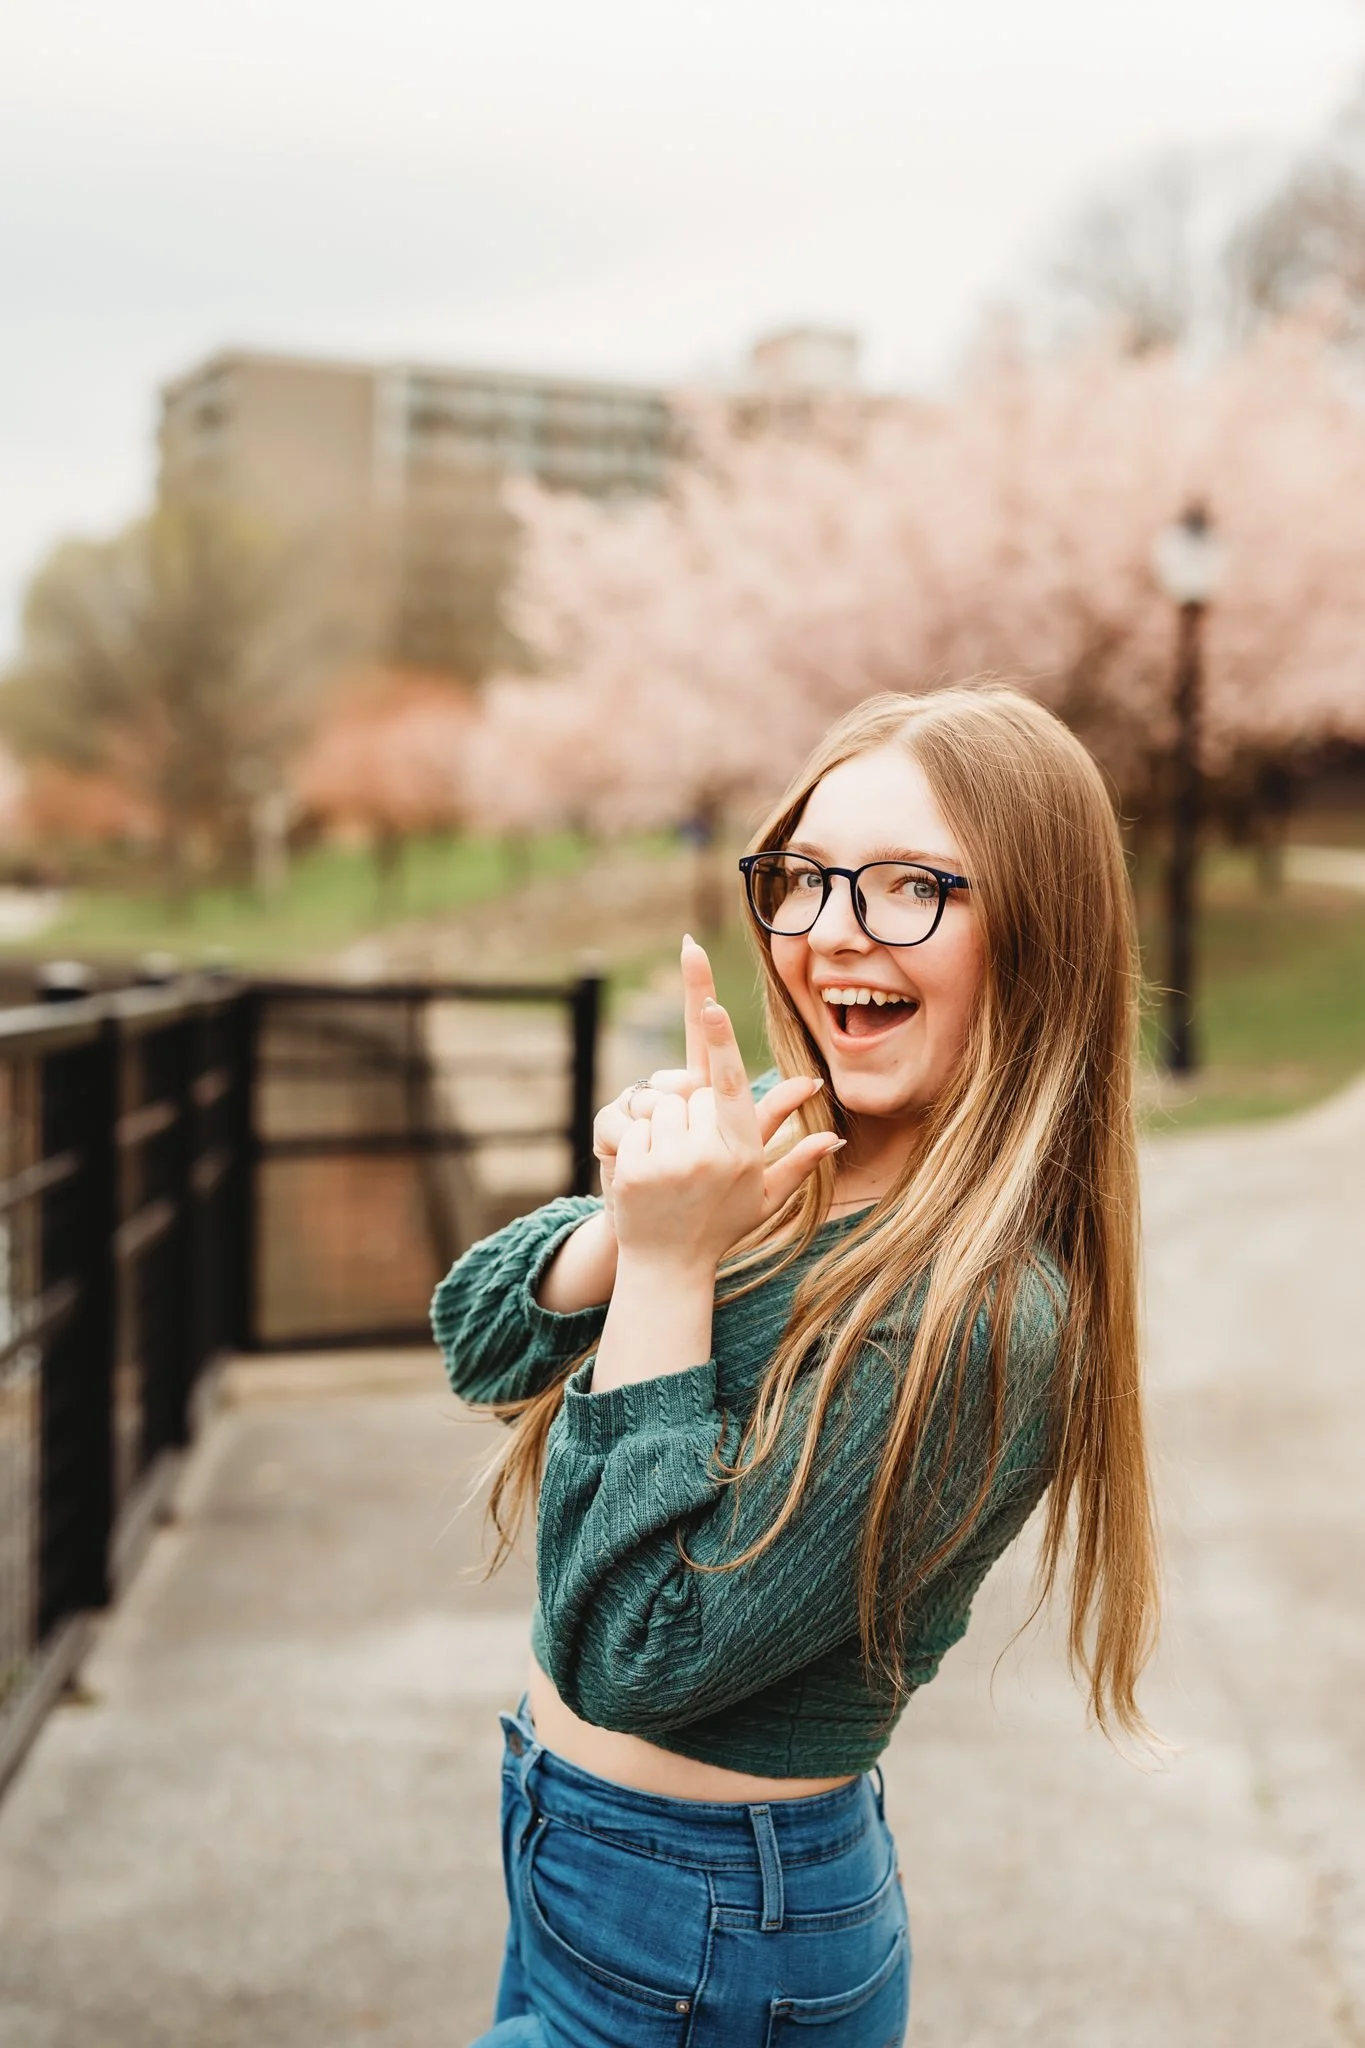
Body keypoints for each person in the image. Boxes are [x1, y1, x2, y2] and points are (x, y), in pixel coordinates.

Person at [432, 685, 1159, 2047]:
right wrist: (642, 1219)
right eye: (808, 881)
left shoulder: (990, 1316)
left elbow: (640, 1656)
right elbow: (476, 1329)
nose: (832, 932)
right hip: (567, 1854)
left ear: (1039, 932)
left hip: (712, 1942)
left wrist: (664, 1267)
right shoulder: (778, 1147)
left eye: (907, 888)